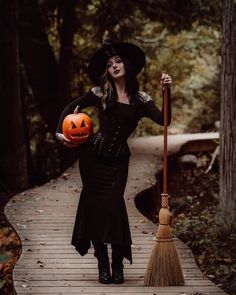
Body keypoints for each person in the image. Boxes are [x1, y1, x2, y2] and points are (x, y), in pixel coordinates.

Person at [55, 39, 172, 285]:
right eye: (109, 64)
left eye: (118, 61)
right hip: (92, 158)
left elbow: (164, 120)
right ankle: (103, 264)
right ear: (106, 71)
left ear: (127, 64)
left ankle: (118, 261)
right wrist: (60, 134)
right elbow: (69, 107)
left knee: (113, 206)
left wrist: (166, 92)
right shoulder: (100, 93)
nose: (114, 66)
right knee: (96, 208)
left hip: (118, 161)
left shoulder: (140, 99)